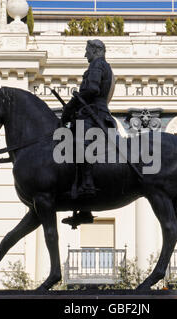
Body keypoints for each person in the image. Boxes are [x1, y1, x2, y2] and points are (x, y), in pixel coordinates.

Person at [61, 39, 116, 227]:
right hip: (93, 113)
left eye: (87, 51)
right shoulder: (102, 65)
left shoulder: (97, 64)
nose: (86, 55)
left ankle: (88, 183)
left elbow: (92, 88)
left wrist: (72, 103)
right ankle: (84, 208)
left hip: (94, 115)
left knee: (78, 145)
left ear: (95, 50)